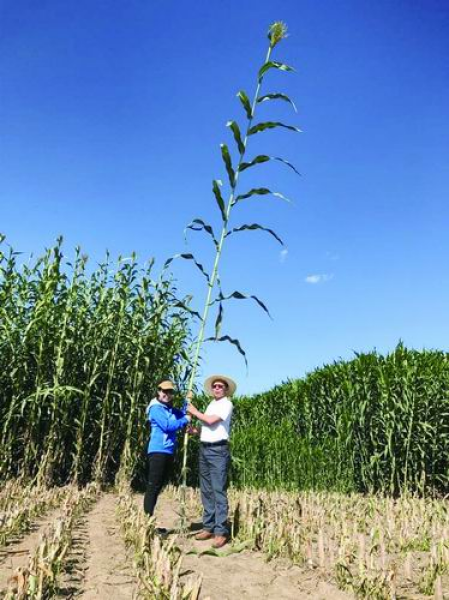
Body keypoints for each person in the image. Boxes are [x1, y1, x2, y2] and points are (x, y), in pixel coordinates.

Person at [187, 374, 236, 549]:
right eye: (215, 386)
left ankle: (220, 532)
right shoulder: (211, 404)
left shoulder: (226, 404)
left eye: (220, 386)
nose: (217, 388)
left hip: (218, 451)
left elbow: (211, 420)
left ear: (226, 389)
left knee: (218, 491)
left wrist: (193, 411)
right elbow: (208, 427)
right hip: (205, 449)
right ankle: (208, 527)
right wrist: (194, 431)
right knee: (206, 490)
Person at [143, 380, 190, 528]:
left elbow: (183, 414)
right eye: (164, 391)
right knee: (153, 486)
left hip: (168, 451)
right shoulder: (156, 409)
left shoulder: (170, 409)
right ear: (158, 391)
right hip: (158, 451)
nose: (167, 394)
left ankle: (148, 521)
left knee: (159, 486)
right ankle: (146, 522)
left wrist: (187, 402)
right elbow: (168, 426)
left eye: (170, 392)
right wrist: (185, 420)